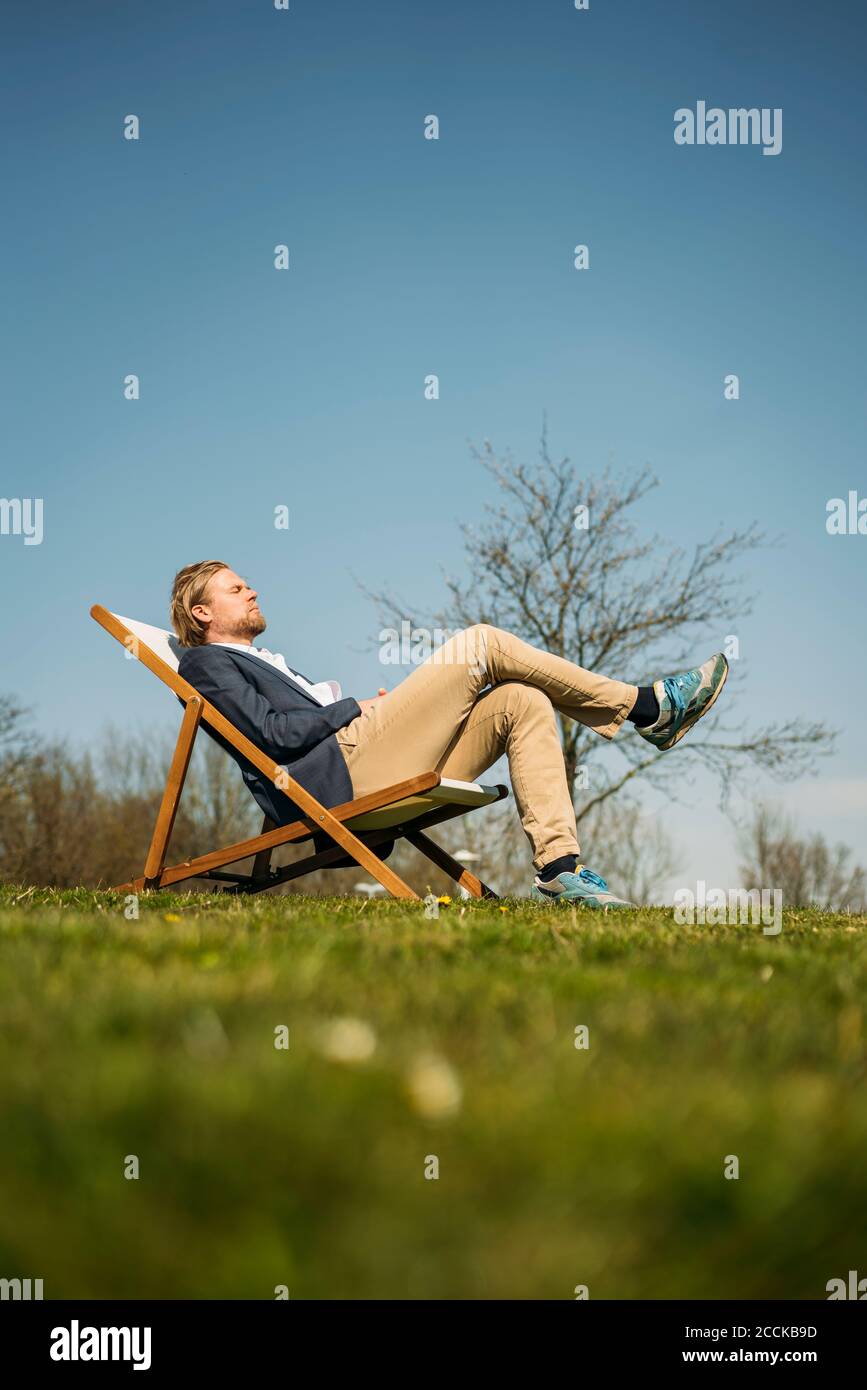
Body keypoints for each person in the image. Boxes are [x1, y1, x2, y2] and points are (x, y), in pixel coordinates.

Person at [169, 560, 728, 908]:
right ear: (201, 612)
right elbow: (272, 735)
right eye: (236, 588)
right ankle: (648, 707)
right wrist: (351, 708)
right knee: (480, 643)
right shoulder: (204, 664)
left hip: (364, 755)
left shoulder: (259, 658)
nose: (252, 591)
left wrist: (362, 710)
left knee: (522, 700)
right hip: (339, 778)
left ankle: (560, 869)